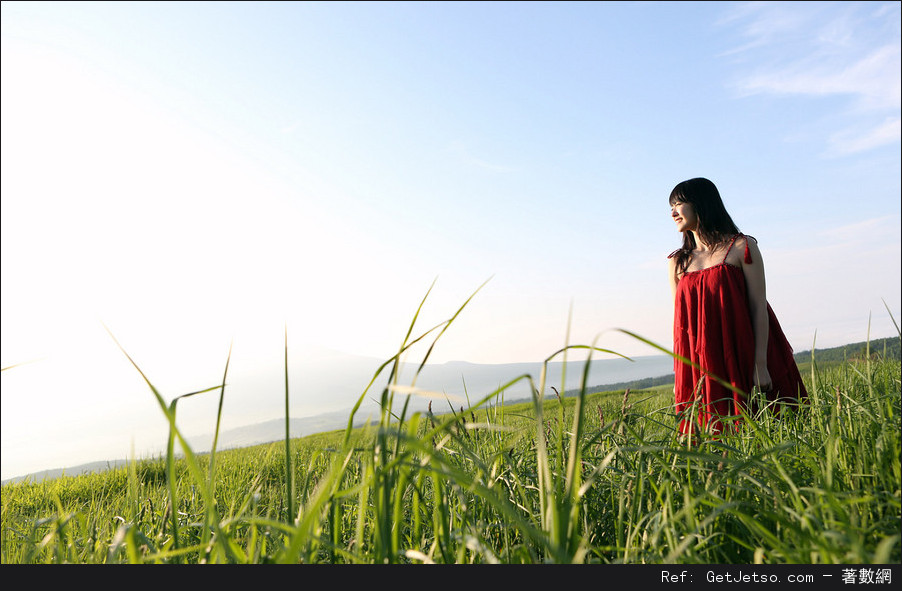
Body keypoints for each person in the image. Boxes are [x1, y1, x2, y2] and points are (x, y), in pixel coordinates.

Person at [667, 177, 807, 435]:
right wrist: (681, 376)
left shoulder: (741, 247)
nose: (673, 212)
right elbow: (681, 327)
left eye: (679, 204)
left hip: (744, 350)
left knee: (769, 428)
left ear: (701, 203)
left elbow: (758, 306)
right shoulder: (678, 262)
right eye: (671, 206)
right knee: (713, 436)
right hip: (703, 360)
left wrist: (760, 364)